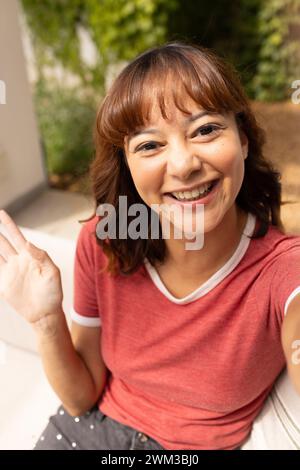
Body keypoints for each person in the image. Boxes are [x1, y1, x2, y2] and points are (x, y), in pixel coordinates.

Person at [0, 41, 300, 451]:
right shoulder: (104, 241)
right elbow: (79, 397)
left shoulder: (283, 269)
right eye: (149, 145)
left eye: (206, 129)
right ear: (127, 163)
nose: (183, 164)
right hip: (86, 434)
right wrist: (45, 318)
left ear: (243, 139)